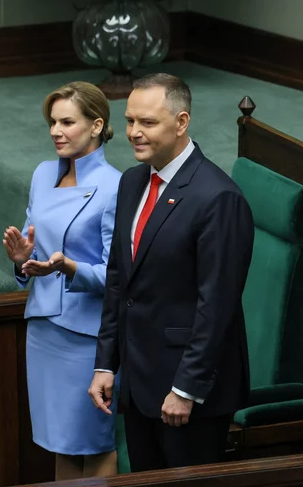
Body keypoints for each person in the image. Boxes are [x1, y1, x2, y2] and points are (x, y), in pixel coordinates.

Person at [88, 73, 254, 471]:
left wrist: (186, 388)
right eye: (129, 121)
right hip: (139, 384)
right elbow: (118, 281)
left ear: (181, 123)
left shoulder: (218, 198)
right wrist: (106, 362)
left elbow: (216, 306)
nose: (133, 133)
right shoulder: (131, 183)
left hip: (188, 395)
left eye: (147, 123)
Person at [2, 81, 121, 479]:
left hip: (88, 338)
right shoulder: (41, 174)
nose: (56, 130)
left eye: (67, 122)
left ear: (96, 125)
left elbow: (118, 275)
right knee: (62, 441)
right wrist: (23, 262)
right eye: (52, 122)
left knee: (95, 439)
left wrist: (68, 268)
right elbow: (34, 248)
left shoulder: (115, 186)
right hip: (44, 331)